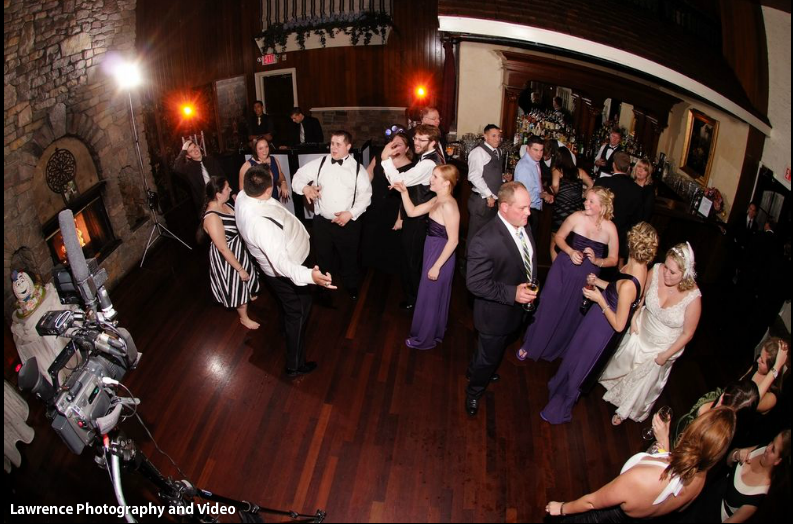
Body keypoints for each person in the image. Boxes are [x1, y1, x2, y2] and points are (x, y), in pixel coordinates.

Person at [540, 222, 658, 424]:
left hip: (603, 328)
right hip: (596, 319)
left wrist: (599, 300)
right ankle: (559, 386)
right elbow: (617, 291)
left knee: (581, 365)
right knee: (574, 354)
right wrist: (598, 282)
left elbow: (619, 324)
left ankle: (562, 407)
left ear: (630, 243)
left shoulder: (631, 283)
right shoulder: (639, 267)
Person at [545, 407, 736, 521]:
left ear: (691, 431)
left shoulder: (641, 478)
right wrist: (664, 444)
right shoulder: (700, 479)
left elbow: (592, 502)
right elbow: (675, 501)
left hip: (603, 517)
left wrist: (562, 508)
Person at [235, 164, 335, 377]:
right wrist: (309, 276)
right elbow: (281, 264)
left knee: (289, 306)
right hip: (285, 273)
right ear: (268, 190)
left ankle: (285, 327)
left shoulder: (244, 195)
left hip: (283, 265)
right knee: (299, 309)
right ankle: (294, 365)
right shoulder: (261, 225)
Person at [600, 242, 703, 424]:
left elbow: (688, 333)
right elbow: (641, 297)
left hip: (663, 346)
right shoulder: (656, 270)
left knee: (642, 381)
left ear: (685, 273)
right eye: (666, 267)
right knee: (624, 363)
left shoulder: (693, 298)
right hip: (643, 326)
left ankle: (625, 410)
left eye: (672, 272)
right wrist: (634, 317)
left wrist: (665, 355)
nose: (666, 274)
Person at [517, 187, 618, 362]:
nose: (585, 203)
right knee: (549, 306)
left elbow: (614, 259)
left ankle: (556, 348)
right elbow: (558, 238)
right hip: (563, 270)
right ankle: (532, 345)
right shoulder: (576, 217)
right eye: (586, 199)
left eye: (591, 201)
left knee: (571, 313)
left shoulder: (610, 228)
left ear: (602, 207)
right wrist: (571, 251)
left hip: (587, 278)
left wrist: (597, 261)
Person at [465, 182, 538, 416]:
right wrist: (513, 293)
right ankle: (474, 391)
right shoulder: (484, 240)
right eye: (522, 208)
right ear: (504, 207)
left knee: (489, 352)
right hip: (494, 316)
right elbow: (475, 283)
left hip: (515, 312)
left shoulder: (523, 225)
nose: (528, 212)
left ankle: (476, 369)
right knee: (488, 358)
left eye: (528, 207)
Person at [292, 130, 372, 300]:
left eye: (338, 144)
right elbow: (298, 176)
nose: (333, 148)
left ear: (348, 147)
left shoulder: (358, 170)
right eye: (332, 143)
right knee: (322, 256)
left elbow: (366, 196)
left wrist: (350, 213)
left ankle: (351, 285)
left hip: (347, 223)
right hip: (322, 223)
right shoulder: (320, 163)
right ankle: (324, 286)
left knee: (349, 257)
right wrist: (305, 188)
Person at [671, 339, 788, 447]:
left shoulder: (772, 397)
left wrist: (777, 367)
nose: (757, 360)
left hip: (726, 424)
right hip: (723, 404)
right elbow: (739, 384)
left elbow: (751, 400)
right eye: (760, 356)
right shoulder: (756, 366)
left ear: (771, 368)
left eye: (762, 361)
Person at [392, 165, 460, 350]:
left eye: (435, 177)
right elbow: (412, 212)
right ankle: (432, 330)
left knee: (430, 296)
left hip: (441, 255)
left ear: (446, 183)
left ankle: (425, 339)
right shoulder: (437, 199)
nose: (430, 179)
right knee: (430, 294)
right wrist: (404, 193)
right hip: (431, 249)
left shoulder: (448, 205)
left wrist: (437, 266)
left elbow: (454, 240)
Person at [381, 124, 444, 310]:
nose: (416, 142)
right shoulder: (430, 157)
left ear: (433, 142)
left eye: (421, 140)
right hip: (419, 215)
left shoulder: (428, 164)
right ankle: (415, 298)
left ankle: (416, 301)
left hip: (419, 219)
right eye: (415, 138)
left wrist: (385, 159)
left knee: (412, 261)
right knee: (412, 259)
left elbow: (399, 181)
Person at [201, 176, 261, 329]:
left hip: (238, 250)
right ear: (218, 194)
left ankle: (249, 293)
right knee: (238, 285)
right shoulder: (212, 217)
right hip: (228, 258)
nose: (230, 190)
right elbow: (222, 247)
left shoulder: (225, 204)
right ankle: (244, 318)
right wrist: (239, 269)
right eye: (227, 188)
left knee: (248, 277)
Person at [362, 132, 413, 274]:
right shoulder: (379, 157)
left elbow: (409, 194)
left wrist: (401, 216)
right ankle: (370, 265)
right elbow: (369, 173)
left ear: (407, 149)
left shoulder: (411, 168)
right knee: (371, 233)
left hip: (393, 207)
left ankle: (388, 269)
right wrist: (362, 192)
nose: (394, 147)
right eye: (392, 143)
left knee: (389, 238)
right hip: (374, 202)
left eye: (399, 145)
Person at [595, 152, 643, 264]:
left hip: (599, 234)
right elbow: (637, 219)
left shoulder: (602, 182)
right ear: (629, 168)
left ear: (613, 165)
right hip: (621, 238)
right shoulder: (637, 190)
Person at [549, 147, 594, 261]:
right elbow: (592, 184)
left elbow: (555, 185)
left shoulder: (557, 169)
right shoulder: (580, 171)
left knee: (555, 240)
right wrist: (584, 195)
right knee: (570, 240)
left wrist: (555, 192)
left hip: (561, 208)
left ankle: (556, 268)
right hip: (575, 210)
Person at [466, 125, 504, 254]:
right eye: (493, 136)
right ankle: (470, 261)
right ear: (485, 136)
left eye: (499, 136)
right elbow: (473, 176)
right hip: (481, 201)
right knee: (475, 235)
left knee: (488, 236)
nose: (497, 139)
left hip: (493, 201)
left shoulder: (498, 151)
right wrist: (489, 195)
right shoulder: (478, 152)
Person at [172, 139, 224, 219]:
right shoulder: (188, 168)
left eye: (195, 147)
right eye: (191, 151)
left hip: (221, 197)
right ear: (188, 156)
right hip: (205, 204)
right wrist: (183, 150)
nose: (195, 151)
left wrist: (232, 193)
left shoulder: (211, 160)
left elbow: (223, 176)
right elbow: (176, 168)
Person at [514, 136, 554, 237]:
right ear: (527, 148)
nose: (539, 154)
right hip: (527, 209)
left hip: (531, 209)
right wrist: (543, 196)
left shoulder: (533, 162)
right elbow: (528, 195)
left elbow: (534, 186)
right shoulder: (525, 167)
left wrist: (543, 193)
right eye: (535, 150)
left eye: (541, 150)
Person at [239, 137, 289, 203]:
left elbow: (279, 175)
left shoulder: (274, 160)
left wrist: (283, 182)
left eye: (266, 147)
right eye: (260, 148)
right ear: (255, 150)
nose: (265, 151)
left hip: (274, 201)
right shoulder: (247, 166)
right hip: (258, 204)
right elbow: (242, 191)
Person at [632, 157, 656, 223]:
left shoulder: (649, 191)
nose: (640, 171)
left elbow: (646, 216)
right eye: (639, 167)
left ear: (648, 174)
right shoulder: (629, 183)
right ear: (635, 168)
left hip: (637, 224)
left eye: (645, 169)